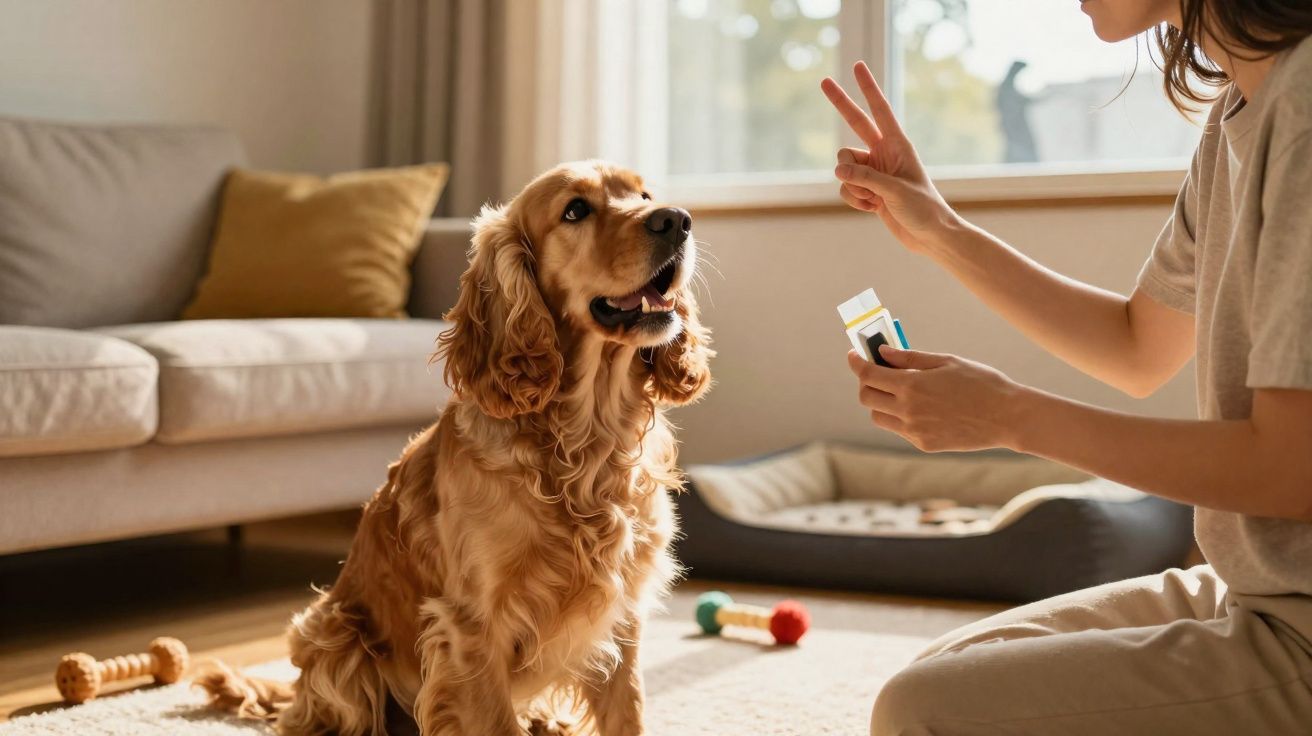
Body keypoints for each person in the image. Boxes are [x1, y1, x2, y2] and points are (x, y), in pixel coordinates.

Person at [819, 0, 1312, 733]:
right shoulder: (1237, 114)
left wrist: (1005, 415)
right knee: (941, 673)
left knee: (923, 713)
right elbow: (1137, 344)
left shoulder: (1303, 109)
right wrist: (938, 228)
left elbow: (1288, 470)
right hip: (1256, 587)